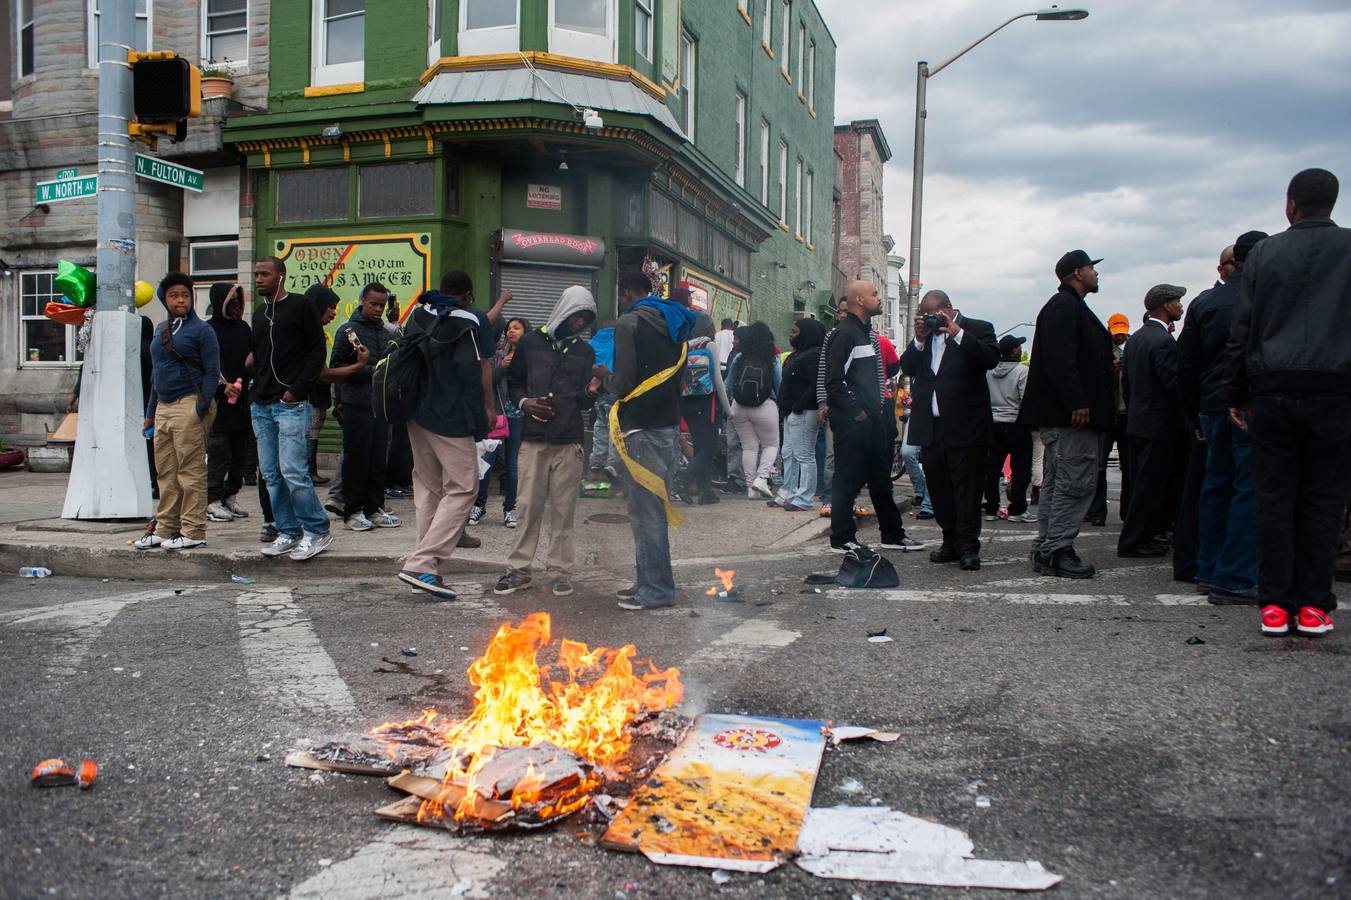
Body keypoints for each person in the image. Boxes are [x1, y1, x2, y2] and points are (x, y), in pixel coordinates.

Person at [1225, 168, 1351, 637]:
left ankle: (1275, 605)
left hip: (1273, 387)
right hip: (1336, 388)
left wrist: (1234, 392)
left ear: (1290, 204)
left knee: (1274, 499)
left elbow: (1244, 329)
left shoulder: (1265, 253)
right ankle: (1315, 605)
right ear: (1332, 203)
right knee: (1324, 500)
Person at [494, 287, 604, 597]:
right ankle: (518, 570)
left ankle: (559, 571)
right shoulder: (530, 343)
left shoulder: (585, 352)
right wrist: (526, 402)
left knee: (563, 509)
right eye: (577, 315)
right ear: (565, 309)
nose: (580, 322)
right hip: (533, 439)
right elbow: (513, 382)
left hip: (569, 441)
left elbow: (583, 401)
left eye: (586, 318)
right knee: (527, 507)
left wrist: (595, 386)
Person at [396, 271, 496, 599]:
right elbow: (471, 375)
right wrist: (480, 421)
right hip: (449, 418)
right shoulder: (467, 321)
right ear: (466, 295)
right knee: (464, 487)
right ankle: (423, 563)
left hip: (416, 414)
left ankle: (425, 569)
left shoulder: (419, 314)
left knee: (428, 488)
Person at [1178, 234, 1267, 604]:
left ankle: (1209, 566)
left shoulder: (1205, 302)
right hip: (1250, 402)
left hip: (1212, 404)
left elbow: (1187, 364)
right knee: (1249, 488)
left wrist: (1192, 415)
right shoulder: (1264, 298)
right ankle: (1236, 574)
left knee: (1215, 485)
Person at [1018, 250, 1115, 578]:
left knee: (1060, 482)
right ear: (1077, 272)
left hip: (1066, 414)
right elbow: (1061, 358)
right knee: (1075, 482)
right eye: (1092, 268)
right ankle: (1057, 549)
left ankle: (1049, 546)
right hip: (1070, 415)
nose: (1096, 274)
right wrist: (1077, 401)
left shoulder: (1069, 306)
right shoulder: (1064, 306)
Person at [605, 271, 695, 610]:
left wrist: (605, 378)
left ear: (628, 292)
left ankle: (656, 589)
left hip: (639, 427)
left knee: (646, 512)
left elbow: (625, 381)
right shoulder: (676, 323)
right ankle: (647, 582)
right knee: (649, 509)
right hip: (666, 426)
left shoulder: (629, 324)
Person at [823, 280, 924, 554]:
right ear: (858, 300)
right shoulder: (844, 334)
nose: (879, 299)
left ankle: (892, 534)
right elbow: (834, 381)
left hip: (873, 424)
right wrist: (857, 411)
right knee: (846, 480)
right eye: (875, 294)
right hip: (853, 424)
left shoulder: (866, 334)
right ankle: (842, 538)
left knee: (881, 481)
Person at [900, 290, 999, 570]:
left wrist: (957, 333)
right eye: (923, 315)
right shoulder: (926, 337)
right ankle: (950, 540)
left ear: (947, 309)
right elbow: (906, 367)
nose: (926, 319)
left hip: (966, 427)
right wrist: (918, 339)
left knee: (966, 489)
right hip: (931, 428)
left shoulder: (978, 328)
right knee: (940, 487)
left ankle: (968, 546)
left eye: (930, 314)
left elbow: (990, 358)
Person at [249, 257, 332, 562]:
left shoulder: (300, 306)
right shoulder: (259, 314)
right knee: (271, 474)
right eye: (256, 274)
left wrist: (296, 389)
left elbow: (316, 351)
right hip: (262, 404)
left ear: (281, 277)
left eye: (265, 274)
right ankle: (288, 530)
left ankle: (317, 529)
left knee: (294, 471)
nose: (259, 279)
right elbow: (258, 356)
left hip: (292, 404)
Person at [134, 273, 221, 551]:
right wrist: (150, 412)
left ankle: (193, 530)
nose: (180, 300)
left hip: (190, 404)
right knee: (166, 473)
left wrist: (201, 405)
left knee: (190, 471)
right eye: (174, 295)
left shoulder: (202, 330)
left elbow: (212, 371)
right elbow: (155, 376)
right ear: (164, 299)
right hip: (163, 408)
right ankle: (165, 528)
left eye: (185, 294)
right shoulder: (161, 330)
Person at [1117, 284, 1187, 558]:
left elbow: (1128, 383)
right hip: (1160, 424)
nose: (1181, 307)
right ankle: (1135, 541)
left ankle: (1143, 536)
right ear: (1166, 306)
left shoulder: (1136, 339)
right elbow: (1174, 384)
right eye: (1178, 302)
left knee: (1142, 483)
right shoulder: (1162, 341)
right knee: (1152, 485)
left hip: (1139, 420)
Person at [328, 282, 400, 532]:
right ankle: (353, 511)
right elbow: (336, 367)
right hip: (355, 403)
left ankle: (374, 507)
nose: (378, 309)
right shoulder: (348, 331)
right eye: (374, 304)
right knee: (356, 458)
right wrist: (369, 371)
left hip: (381, 405)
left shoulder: (387, 332)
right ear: (362, 301)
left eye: (382, 304)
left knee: (379, 459)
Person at [470, 316, 529, 527]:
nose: (511, 331)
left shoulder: (530, 356)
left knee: (513, 465)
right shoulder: (497, 356)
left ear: (525, 332)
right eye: (509, 328)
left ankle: (510, 509)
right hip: (497, 417)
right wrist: (502, 366)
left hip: (518, 417)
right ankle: (478, 506)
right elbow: (486, 382)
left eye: (516, 328)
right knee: (486, 462)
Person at [205, 283, 254, 524]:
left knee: (240, 454)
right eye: (230, 299)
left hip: (243, 400)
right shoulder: (208, 330)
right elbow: (206, 364)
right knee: (219, 453)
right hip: (219, 402)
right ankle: (211, 500)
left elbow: (251, 357)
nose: (234, 304)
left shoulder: (244, 328)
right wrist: (222, 385)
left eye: (237, 299)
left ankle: (230, 495)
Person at [680, 312, 732, 505]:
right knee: (709, 448)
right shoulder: (709, 345)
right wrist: (728, 410)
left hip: (687, 404)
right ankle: (684, 479)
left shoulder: (686, 346)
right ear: (710, 328)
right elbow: (718, 380)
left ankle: (706, 491)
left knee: (701, 446)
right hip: (706, 404)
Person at [775, 317, 826, 511]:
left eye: (795, 332)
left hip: (804, 412)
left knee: (804, 456)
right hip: (792, 412)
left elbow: (816, 385)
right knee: (788, 454)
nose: (790, 335)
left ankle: (804, 498)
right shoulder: (797, 355)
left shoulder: (813, 356)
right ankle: (787, 492)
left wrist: (798, 406)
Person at [728, 321, 783, 500]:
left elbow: (729, 384)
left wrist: (729, 405)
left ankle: (750, 487)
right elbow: (779, 384)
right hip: (765, 405)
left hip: (739, 406)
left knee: (748, 447)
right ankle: (762, 478)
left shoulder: (739, 357)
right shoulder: (772, 359)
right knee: (771, 444)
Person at [1088, 313, 1133, 525]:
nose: (1120, 337)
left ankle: (1128, 511)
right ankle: (1097, 512)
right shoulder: (1101, 349)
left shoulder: (1134, 348)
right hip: (1107, 415)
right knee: (1099, 466)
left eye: (1122, 333)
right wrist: (1110, 370)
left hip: (1127, 415)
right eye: (1116, 333)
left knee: (1130, 467)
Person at [985, 335, 1034, 523]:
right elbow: (1025, 400)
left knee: (992, 468)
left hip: (994, 423)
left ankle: (991, 508)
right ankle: (1017, 509)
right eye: (1018, 346)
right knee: (1021, 468)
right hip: (1016, 423)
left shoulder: (989, 372)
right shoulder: (1022, 371)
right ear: (1014, 351)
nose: (1021, 349)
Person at [587, 318, 621, 484]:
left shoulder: (591, 343)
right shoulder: (619, 341)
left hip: (597, 392)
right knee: (615, 427)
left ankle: (595, 464)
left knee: (600, 426)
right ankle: (612, 464)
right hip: (613, 388)